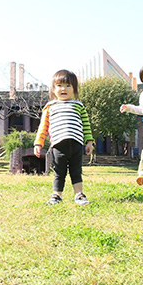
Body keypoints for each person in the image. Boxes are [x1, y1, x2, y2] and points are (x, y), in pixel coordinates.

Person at [34, 69, 94, 205]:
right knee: (59, 171)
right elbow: (43, 126)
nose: (64, 89)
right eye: (60, 85)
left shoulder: (79, 105)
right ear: (53, 89)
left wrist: (89, 141)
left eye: (68, 86)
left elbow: (86, 125)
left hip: (77, 144)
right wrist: (38, 143)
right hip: (58, 145)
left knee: (76, 171)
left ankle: (79, 195)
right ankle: (56, 195)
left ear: (74, 89)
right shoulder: (50, 106)